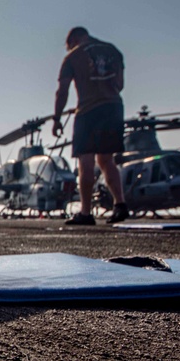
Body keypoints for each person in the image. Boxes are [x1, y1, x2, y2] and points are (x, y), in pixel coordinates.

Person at [52, 26, 129, 225]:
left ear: (73, 40)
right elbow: (120, 84)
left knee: (85, 163)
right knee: (106, 160)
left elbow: (62, 91)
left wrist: (57, 118)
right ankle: (120, 204)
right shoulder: (113, 50)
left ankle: (86, 213)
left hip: (88, 111)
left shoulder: (72, 57)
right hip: (113, 107)